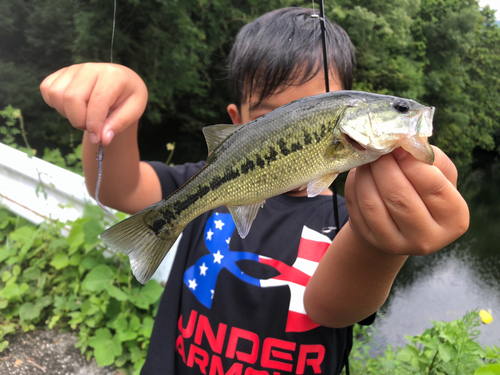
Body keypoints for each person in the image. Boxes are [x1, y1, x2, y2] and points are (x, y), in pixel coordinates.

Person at [39, 7, 469, 375]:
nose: (290, 121)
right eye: (271, 117)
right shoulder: (197, 181)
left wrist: (379, 243)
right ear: (236, 120)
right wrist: (110, 116)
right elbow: (117, 187)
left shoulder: (349, 218)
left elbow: (331, 309)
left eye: (307, 110)